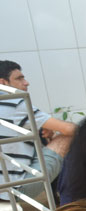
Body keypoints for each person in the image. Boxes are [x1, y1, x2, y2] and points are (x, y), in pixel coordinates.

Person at [0, 60, 76, 200]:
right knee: (69, 137)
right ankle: (70, 197)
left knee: (41, 134)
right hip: (15, 189)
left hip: (3, 186)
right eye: (19, 78)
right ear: (3, 83)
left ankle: (58, 194)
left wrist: (45, 129)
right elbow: (70, 129)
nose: (26, 82)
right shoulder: (16, 103)